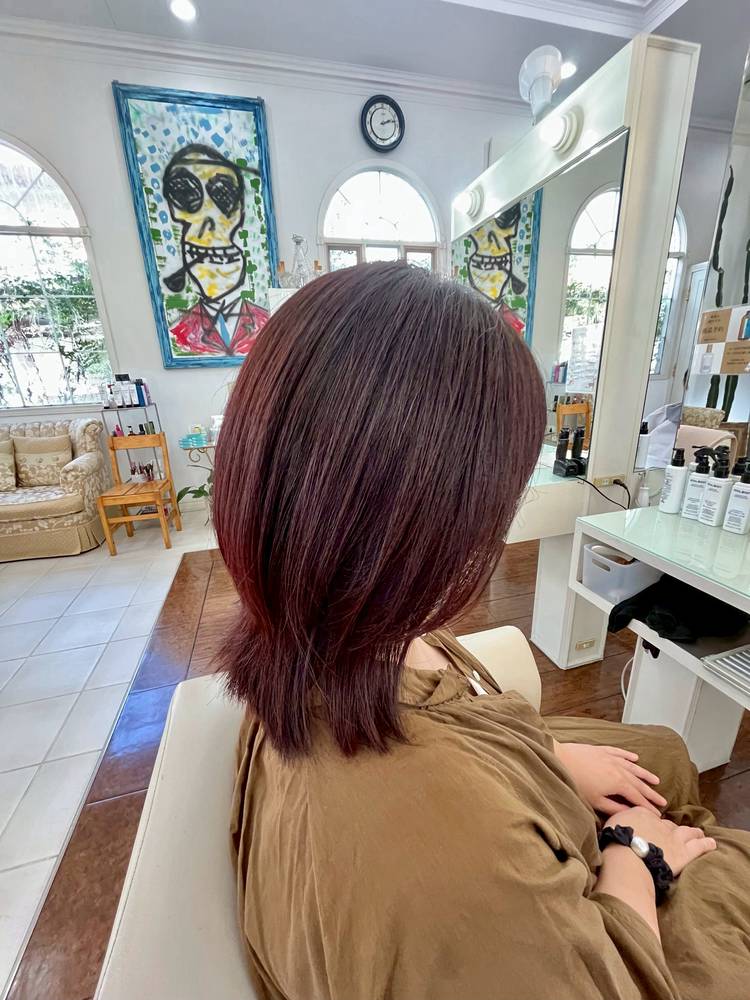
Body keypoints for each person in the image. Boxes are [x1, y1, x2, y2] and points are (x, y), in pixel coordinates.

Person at [212, 262, 750, 1000]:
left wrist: (546, 759)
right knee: (703, 838)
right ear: (429, 523)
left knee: (664, 756)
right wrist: (637, 859)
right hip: (592, 926)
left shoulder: (324, 629)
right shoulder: (444, 864)